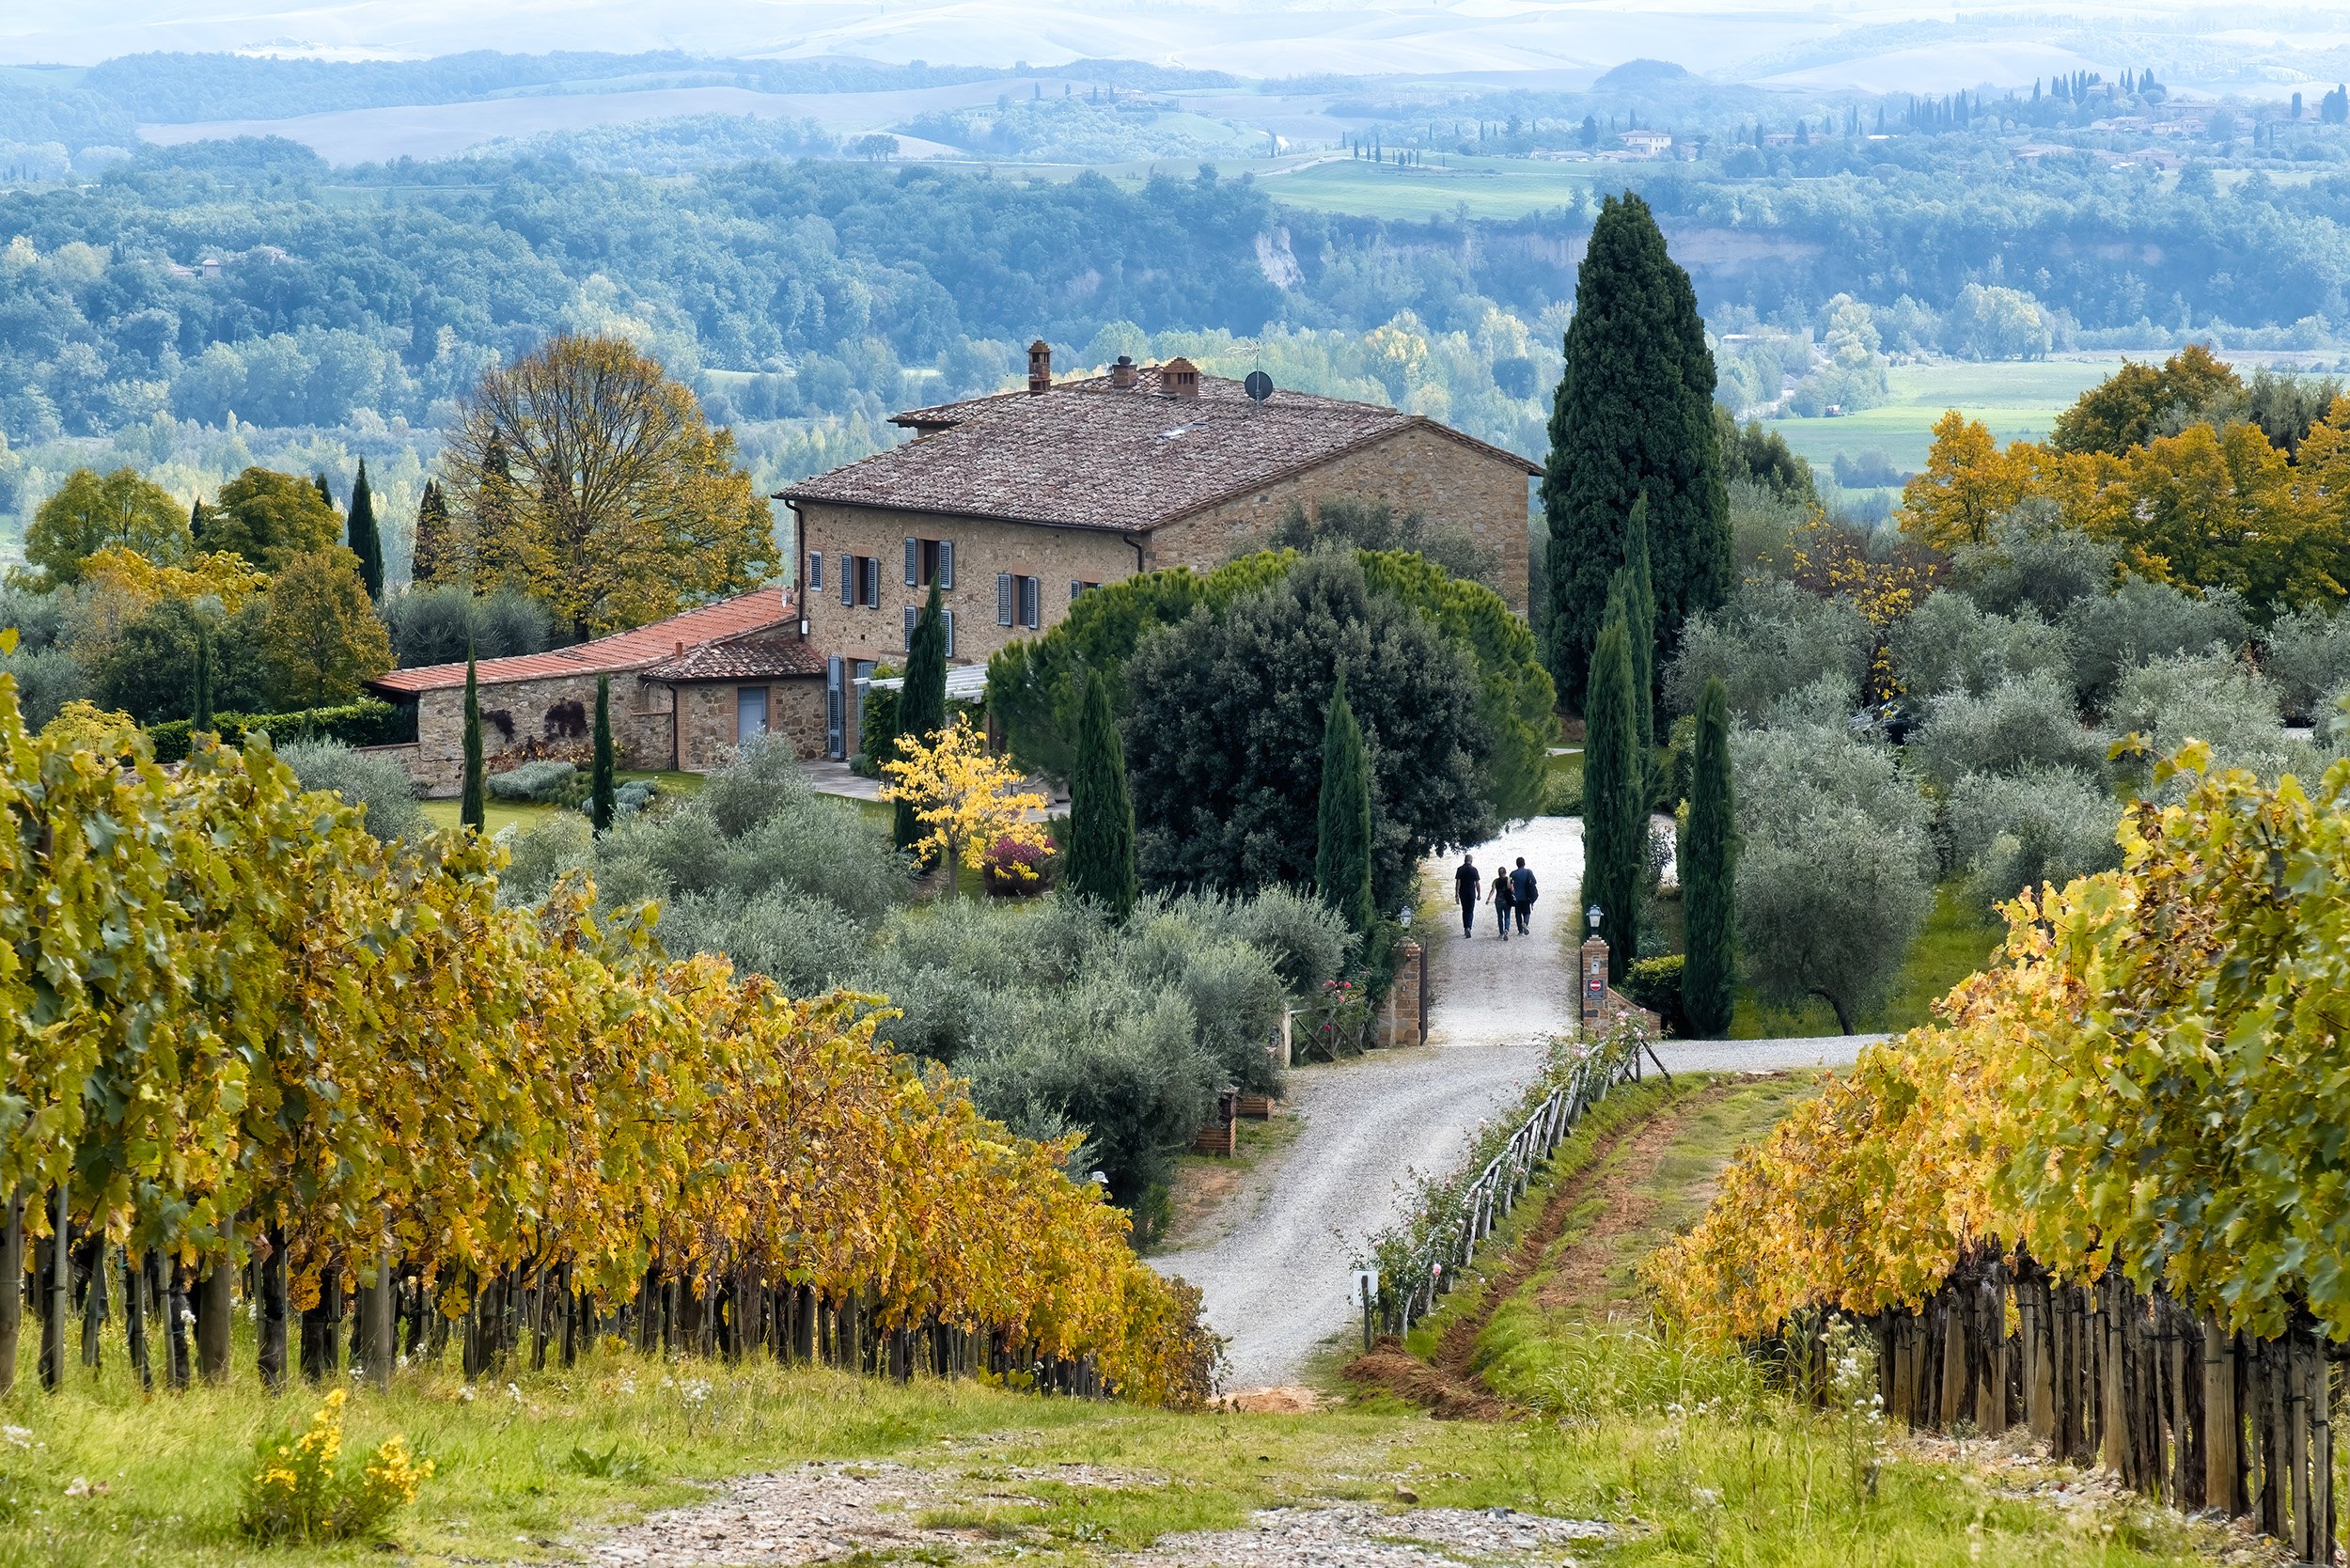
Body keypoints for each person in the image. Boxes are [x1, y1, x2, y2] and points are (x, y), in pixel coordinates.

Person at [1454, 853, 1480, 937]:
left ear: (1464, 860)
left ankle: (1466, 928)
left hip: (1463, 893)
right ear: (1471, 861)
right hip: (1471, 893)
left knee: (1464, 911)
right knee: (1470, 911)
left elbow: (1458, 882)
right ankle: (1469, 927)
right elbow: (1477, 883)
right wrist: (1479, 893)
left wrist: (1457, 894)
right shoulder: (1474, 870)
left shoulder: (1460, 869)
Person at [1510, 856, 1538, 936]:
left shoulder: (1513, 873)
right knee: (1527, 913)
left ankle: (1520, 931)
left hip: (1516, 897)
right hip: (1526, 896)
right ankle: (1525, 923)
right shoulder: (1528, 872)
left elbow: (1509, 885)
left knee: (1518, 914)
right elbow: (1534, 882)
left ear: (1517, 864)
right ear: (1524, 863)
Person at [1488, 864, 1514, 942]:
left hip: (1498, 902)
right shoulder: (1509, 879)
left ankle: (1501, 932)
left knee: (1500, 917)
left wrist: (1488, 898)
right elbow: (1512, 890)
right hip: (1507, 901)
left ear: (1498, 873)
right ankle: (1506, 929)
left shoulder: (1495, 881)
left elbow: (1492, 891)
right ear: (1505, 873)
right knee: (1507, 916)